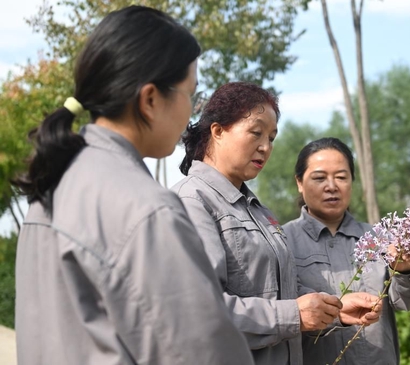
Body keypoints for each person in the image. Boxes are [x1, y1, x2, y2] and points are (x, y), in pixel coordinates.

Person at [11, 6, 254, 365]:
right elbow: (204, 353)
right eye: (191, 94)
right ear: (151, 99)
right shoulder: (146, 208)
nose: (192, 111)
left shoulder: (51, 184)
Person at [171, 82, 382, 365]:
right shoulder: (192, 200)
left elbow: (282, 295)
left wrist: (335, 310)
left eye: (271, 138)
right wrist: (294, 315)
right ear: (218, 131)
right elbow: (200, 311)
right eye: (256, 133)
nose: (265, 147)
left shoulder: (259, 212)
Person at [283, 137, 410, 365]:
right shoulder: (281, 242)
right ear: (300, 183)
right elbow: (280, 312)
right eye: (319, 178)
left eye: (341, 177)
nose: (331, 186)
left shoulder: (380, 237)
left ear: (352, 181)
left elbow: (408, 301)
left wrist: (404, 269)